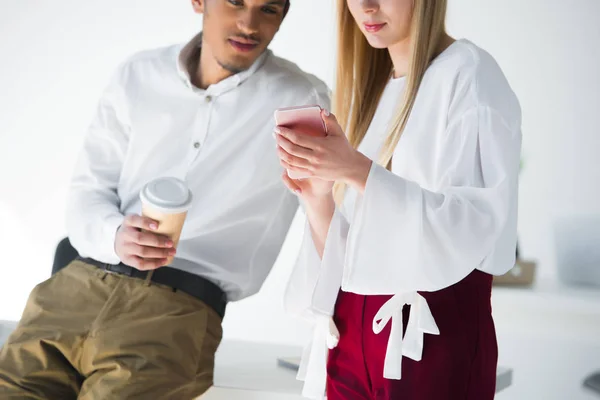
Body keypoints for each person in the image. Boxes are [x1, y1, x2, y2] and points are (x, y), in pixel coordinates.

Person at [0, 0, 329, 398]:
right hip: (73, 287)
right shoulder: (138, 75)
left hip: (176, 310)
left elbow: (331, 209)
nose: (248, 23)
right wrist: (116, 234)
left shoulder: (302, 101)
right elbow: (88, 190)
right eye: (235, 2)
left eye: (269, 9)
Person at [277, 0, 521, 399]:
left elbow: (473, 225)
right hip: (351, 336)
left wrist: (357, 170)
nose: (367, 7)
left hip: (428, 335)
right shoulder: (378, 88)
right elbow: (350, 260)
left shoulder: (468, 72)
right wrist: (318, 196)